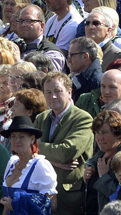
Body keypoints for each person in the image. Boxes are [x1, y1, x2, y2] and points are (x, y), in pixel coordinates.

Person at [34, 72, 94, 212]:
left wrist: (36, 148)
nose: (52, 96)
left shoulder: (83, 119)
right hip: (41, 193)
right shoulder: (41, 118)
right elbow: (27, 152)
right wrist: (53, 161)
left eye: (57, 91)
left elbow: (67, 152)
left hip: (68, 198)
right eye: (48, 92)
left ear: (69, 92)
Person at [0, 116, 58, 215]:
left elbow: (52, 205)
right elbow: (7, 204)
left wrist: (17, 205)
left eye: (21, 136)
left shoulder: (40, 165)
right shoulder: (12, 163)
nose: (16, 140)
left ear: (32, 139)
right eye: (13, 136)